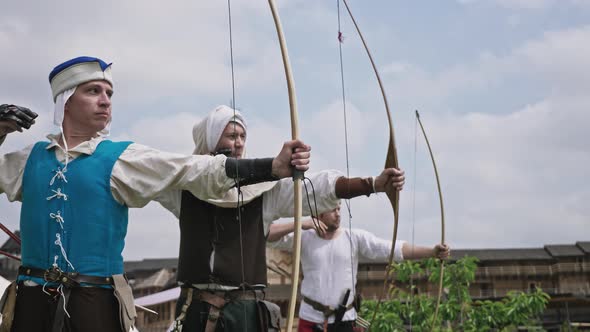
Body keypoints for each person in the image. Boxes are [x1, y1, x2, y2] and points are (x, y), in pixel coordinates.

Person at [0, 56, 311, 332]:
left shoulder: (121, 158)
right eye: (93, 91)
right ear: (65, 100)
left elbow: (195, 170)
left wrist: (272, 166)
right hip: (31, 304)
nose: (106, 100)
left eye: (109, 93)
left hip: (95, 306)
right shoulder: (30, 159)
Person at [161, 105, 407, 332]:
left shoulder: (260, 193)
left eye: (242, 137)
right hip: (197, 314)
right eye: (231, 136)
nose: (238, 143)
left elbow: (318, 189)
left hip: (245, 317)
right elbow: (152, 174)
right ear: (212, 138)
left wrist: (372, 184)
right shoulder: (184, 190)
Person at [267, 204, 451, 332]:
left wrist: (432, 251)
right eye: (332, 209)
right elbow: (268, 234)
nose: (338, 213)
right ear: (318, 213)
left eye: (339, 208)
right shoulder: (304, 236)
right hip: (311, 318)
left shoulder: (353, 237)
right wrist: (301, 223)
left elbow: (392, 248)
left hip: (346, 319)